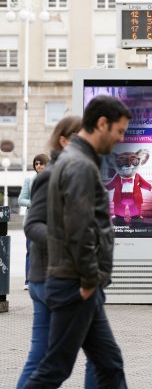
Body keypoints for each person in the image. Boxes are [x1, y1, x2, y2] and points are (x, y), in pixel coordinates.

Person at [24, 96, 131, 388]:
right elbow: (80, 229)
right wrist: (87, 280)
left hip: (78, 282)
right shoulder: (80, 165)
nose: (121, 139)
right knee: (54, 368)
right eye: (119, 131)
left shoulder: (76, 161)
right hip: (75, 283)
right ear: (101, 123)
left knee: (109, 364)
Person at [19, 117, 97, 389]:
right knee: (94, 357)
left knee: (98, 357)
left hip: (62, 277)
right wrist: (63, 244)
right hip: (56, 278)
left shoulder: (79, 171)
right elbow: (32, 225)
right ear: (64, 140)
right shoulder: (52, 175)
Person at [18, 153, 49, 290]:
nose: (38, 166)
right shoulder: (29, 179)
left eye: (41, 163)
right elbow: (21, 200)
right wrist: (36, 203)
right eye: (36, 164)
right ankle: (28, 281)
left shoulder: (54, 178)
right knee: (31, 251)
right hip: (33, 221)